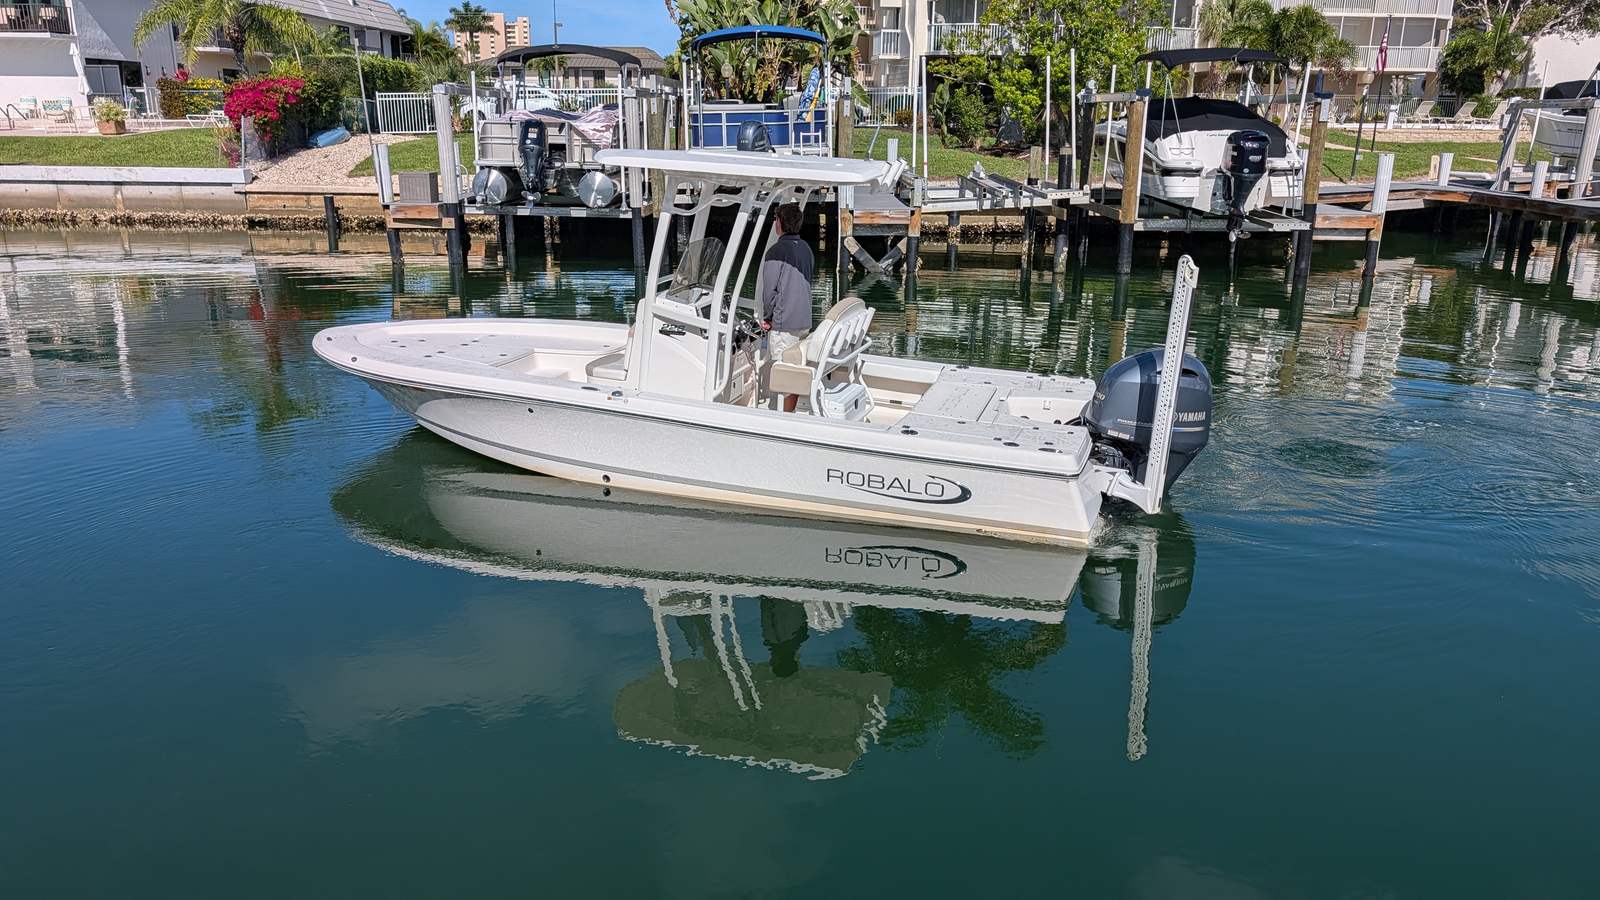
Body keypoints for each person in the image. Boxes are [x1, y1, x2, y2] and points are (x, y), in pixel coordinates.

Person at [759, 203, 813, 412]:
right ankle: (788, 411)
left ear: (779, 223)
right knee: (795, 368)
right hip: (803, 320)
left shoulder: (776, 251)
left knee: (784, 371)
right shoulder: (806, 248)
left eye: (775, 219)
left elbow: (769, 292)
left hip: (785, 323)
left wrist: (767, 318)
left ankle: (784, 416)